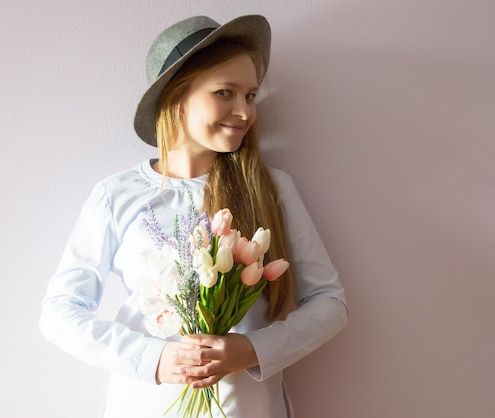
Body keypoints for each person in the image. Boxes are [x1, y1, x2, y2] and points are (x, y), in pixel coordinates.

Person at [39, 15, 348, 418]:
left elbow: (329, 303)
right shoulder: (117, 196)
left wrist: (253, 349)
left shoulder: (271, 188)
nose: (244, 111)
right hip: (150, 405)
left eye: (251, 96)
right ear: (177, 96)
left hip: (248, 407)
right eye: (225, 92)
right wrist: (153, 358)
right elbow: (60, 311)